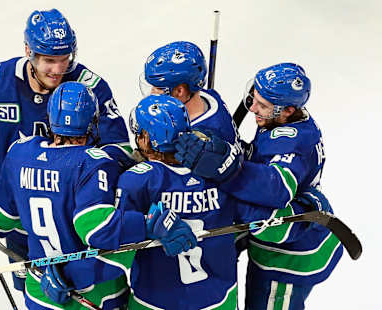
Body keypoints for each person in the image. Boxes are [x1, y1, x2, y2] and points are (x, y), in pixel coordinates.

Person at [0, 82, 197, 309]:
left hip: (42, 293)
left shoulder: (19, 152)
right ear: (93, 123)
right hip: (98, 294)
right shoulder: (93, 163)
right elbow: (97, 229)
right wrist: (147, 225)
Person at [0, 8, 130, 291]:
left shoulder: (91, 88)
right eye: (49, 60)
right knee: (32, 295)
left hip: (78, 224)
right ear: (28, 51)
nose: (58, 70)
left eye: (64, 59)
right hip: (16, 214)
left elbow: (121, 153)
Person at [117, 94, 327, 309]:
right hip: (219, 299)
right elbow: (271, 226)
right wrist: (310, 206)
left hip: (153, 299)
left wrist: (142, 225)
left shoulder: (135, 180)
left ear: (148, 139)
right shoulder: (220, 181)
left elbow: (112, 238)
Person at [175, 63, 343, 309]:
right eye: (254, 97)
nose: (252, 107)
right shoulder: (282, 123)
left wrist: (226, 168)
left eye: (262, 105)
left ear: (288, 110)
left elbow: (278, 189)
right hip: (271, 242)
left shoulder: (292, 142)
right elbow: (260, 160)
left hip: (288, 256)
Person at [139, 40, 243, 182]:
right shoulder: (209, 96)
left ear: (180, 91)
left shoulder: (193, 141)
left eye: (157, 88)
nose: (152, 93)